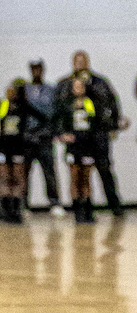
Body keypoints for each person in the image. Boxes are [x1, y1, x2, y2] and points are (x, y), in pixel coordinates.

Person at [54, 50, 127, 217]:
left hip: (97, 135)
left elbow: (112, 104)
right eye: (77, 61)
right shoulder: (65, 84)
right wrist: (61, 133)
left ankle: (114, 205)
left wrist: (114, 125)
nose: (80, 64)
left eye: (83, 61)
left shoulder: (99, 83)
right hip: (76, 138)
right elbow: (58, 111)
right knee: (77, 174)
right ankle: (79, 209)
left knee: (104, 170)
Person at [0, 80, 43, 224]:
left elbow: (42, 118)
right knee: (4, 178)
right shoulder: (2, 105)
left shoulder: (23, 106)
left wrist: (31, 132)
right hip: (3, 146)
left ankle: (16, 210)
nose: (10, 93)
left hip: (18, 147)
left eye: (13, 91)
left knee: (17, 178)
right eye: (8, 91)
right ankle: (5, 210)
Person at [23, 59, 62, 216]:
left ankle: (54, 202)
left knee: (49, 172)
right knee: (24, 172)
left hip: (45, 137)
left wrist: (55, 132)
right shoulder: (25, 90)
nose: (36, 72)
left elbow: (55, 112)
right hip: (27, 138)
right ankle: (23, 204)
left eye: (39, 69)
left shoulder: (51, 90)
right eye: (34, 69)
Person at [61, 78, 101, 223]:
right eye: (76, 86)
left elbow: (94, 123)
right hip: (73, 147)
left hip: (87, 146)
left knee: (86, 178)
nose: (78, 89)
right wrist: (64, 135)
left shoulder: (90, 103)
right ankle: (77, 211)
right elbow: (61, 123)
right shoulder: (67, 105)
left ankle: (88, 210)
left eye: (81, 86)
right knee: (74, 177)